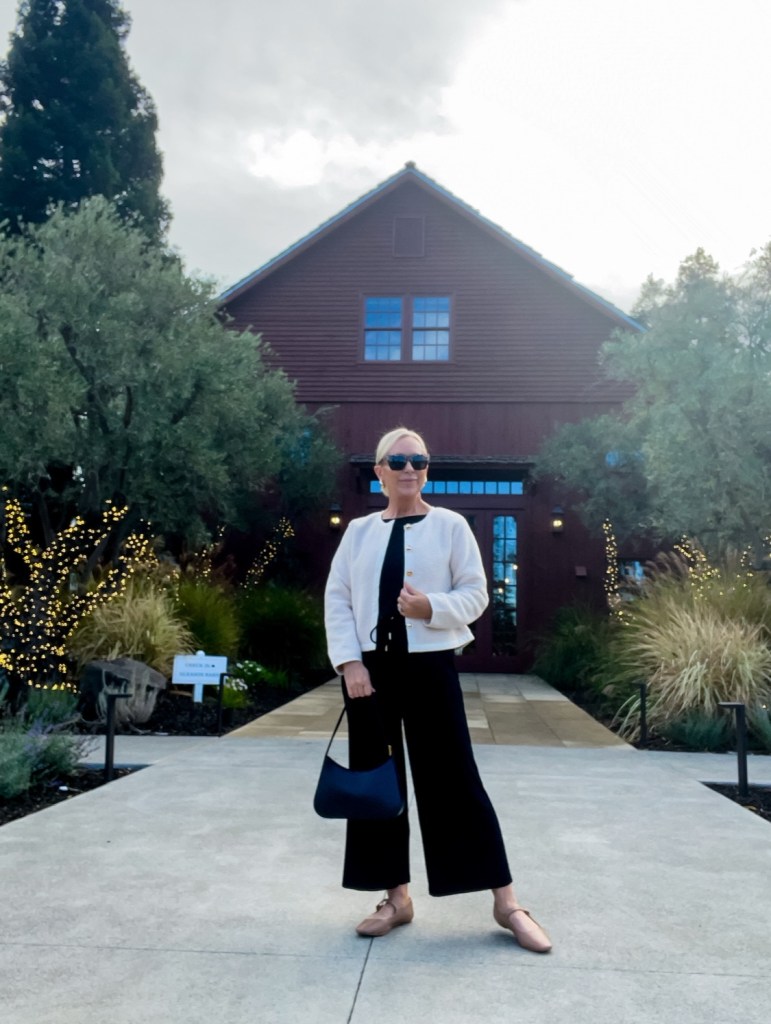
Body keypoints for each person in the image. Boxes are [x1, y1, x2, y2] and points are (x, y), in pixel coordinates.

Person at [324, 427, 551, 953]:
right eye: (397, 460)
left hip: (430, 670)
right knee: (377, 787)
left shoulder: (450, 526)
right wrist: (349, 663)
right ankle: (396, 898)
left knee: (455, 781)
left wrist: (431, 609)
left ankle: (507, 902)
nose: (409, 468)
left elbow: (476, 594)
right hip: (369, 678)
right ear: (378, 471)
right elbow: (337, 598)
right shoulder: (357, 531)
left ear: (427, 469)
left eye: (419, 460)